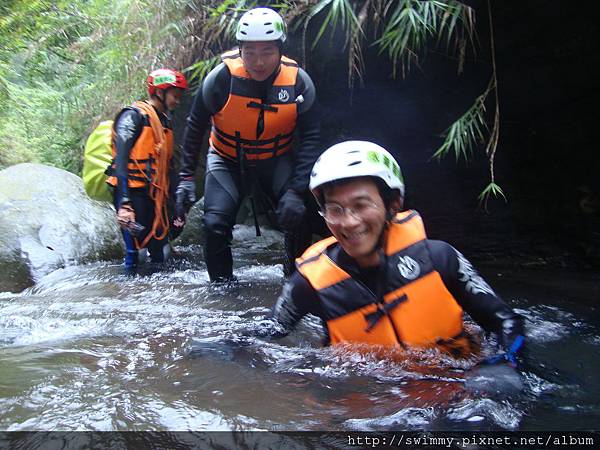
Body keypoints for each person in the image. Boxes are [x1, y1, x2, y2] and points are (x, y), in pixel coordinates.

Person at [269, 140, 525, 364]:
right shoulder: (308, 283)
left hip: (457, 386)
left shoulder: (441, 259)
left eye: (361, 205)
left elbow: (506, 323)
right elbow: (261, 337)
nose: (348, 222)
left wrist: (504, 364)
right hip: (371, 404)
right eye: (335, 209)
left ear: (393, 205)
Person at [175, 7, 321, 283]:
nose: (258, 61)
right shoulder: (221, 79)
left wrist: (296, 189)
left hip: (277, 158)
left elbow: (312, 136)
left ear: (280, 50)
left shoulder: (299, 83)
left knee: (299, 216)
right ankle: (222, 291)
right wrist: (185, 178)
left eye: (267, 52)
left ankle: (294, 283)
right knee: (214, 225)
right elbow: (195, 126)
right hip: (227, 158)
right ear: (239, 50)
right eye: (250, 52)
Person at [107, 68, 188, 274]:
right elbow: (122, 161)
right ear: (159, 92)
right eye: (175, 95)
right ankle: (128, 292)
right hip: (131, 193)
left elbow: (168, 169)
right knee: (135, 252)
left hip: (154, 196)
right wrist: (124, 204)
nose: (177, 101)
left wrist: (178, 206)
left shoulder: (164, 123)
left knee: (159, 252)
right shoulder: (133, 116)